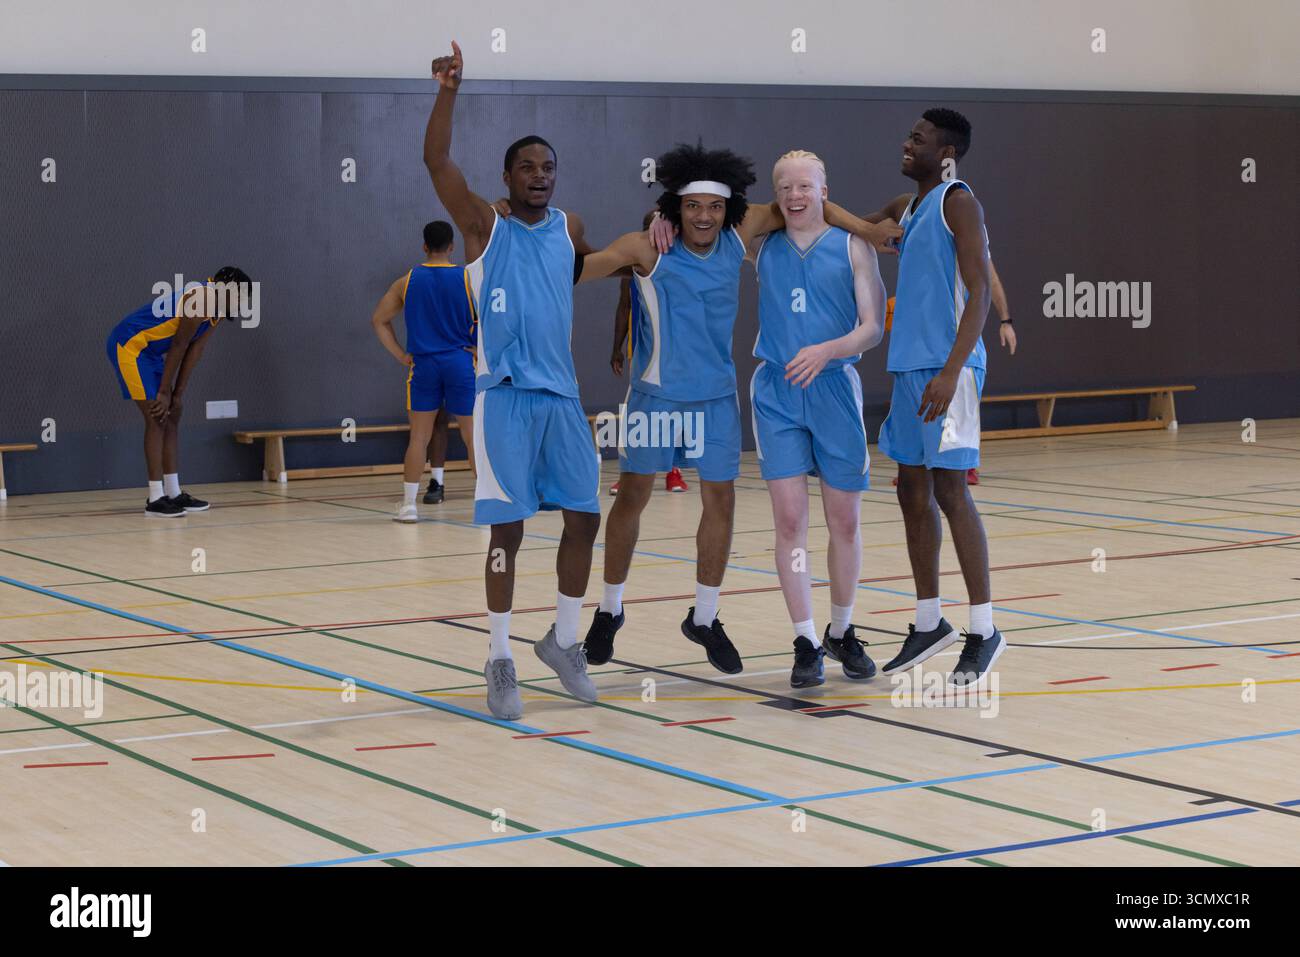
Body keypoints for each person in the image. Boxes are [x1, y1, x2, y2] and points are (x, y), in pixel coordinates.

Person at [424, 41, 658, 719]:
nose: (539, 174)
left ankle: (561, 640)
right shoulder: (483, 225)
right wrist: (448, 91)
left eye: (548, 166)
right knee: (509, 532)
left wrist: (652, 245)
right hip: (502, 398)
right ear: (507, 174)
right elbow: (437, 163)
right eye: (526, 166)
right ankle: (499, 656)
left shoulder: (569, 227)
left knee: (585, 517)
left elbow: (597, 266)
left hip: (561, 398)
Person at [866, 108, 1007, 686]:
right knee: (910, 489)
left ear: (945, 151)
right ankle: (929, 621)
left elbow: (978, 292)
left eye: (918, 139)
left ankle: (985, 629)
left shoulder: (959, 202)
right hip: (908, 368)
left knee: (951, 490)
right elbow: (862, 227)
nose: (906, 143)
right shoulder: (910, 207)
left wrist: (952, 371)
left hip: (951, 370)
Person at [749, 151, 889, 687]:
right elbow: (722, 222)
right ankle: (806, 639)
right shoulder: (761, 248)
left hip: (833, 387)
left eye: (804, 185)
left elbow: (872, 328)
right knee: (790, 523)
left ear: (824, 189)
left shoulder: (854, 247)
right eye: (785, 187)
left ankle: (843, 629)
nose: (794, 195)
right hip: (777, 391)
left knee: (844, 521)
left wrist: (828, 349)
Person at [106, 267, 252, 517]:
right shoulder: (201, 299)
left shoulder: (215, 311)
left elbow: (195, 351)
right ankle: (155, 498)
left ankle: (173, 492)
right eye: (240, 297)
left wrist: (177, 395)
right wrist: (164, 392)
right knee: (156, 416)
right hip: (131, 344)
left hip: (150, 352)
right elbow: (179, 344)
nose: (242, 303)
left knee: (173, 414)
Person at [370, 220, 476, 521]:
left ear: (424, 246)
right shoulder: (469, 278)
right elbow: (493, 319)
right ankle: (485, 504)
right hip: (460, 362)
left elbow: (378, 320)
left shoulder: (407, 280)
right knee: (473, 437)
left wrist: (401, 355)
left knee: (419, 438)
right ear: (452, 247)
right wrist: (480, 351)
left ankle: (409, 506)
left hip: (424, 365)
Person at [608, 211, 687, 497]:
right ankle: (628, 473)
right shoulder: (631, 267)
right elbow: (624, 308)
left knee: (676, 412)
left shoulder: (680, 264)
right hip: (643, 354)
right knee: (634, 413)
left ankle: (673, 471)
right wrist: (616, 347)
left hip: (679, 355)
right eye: (648, 227)